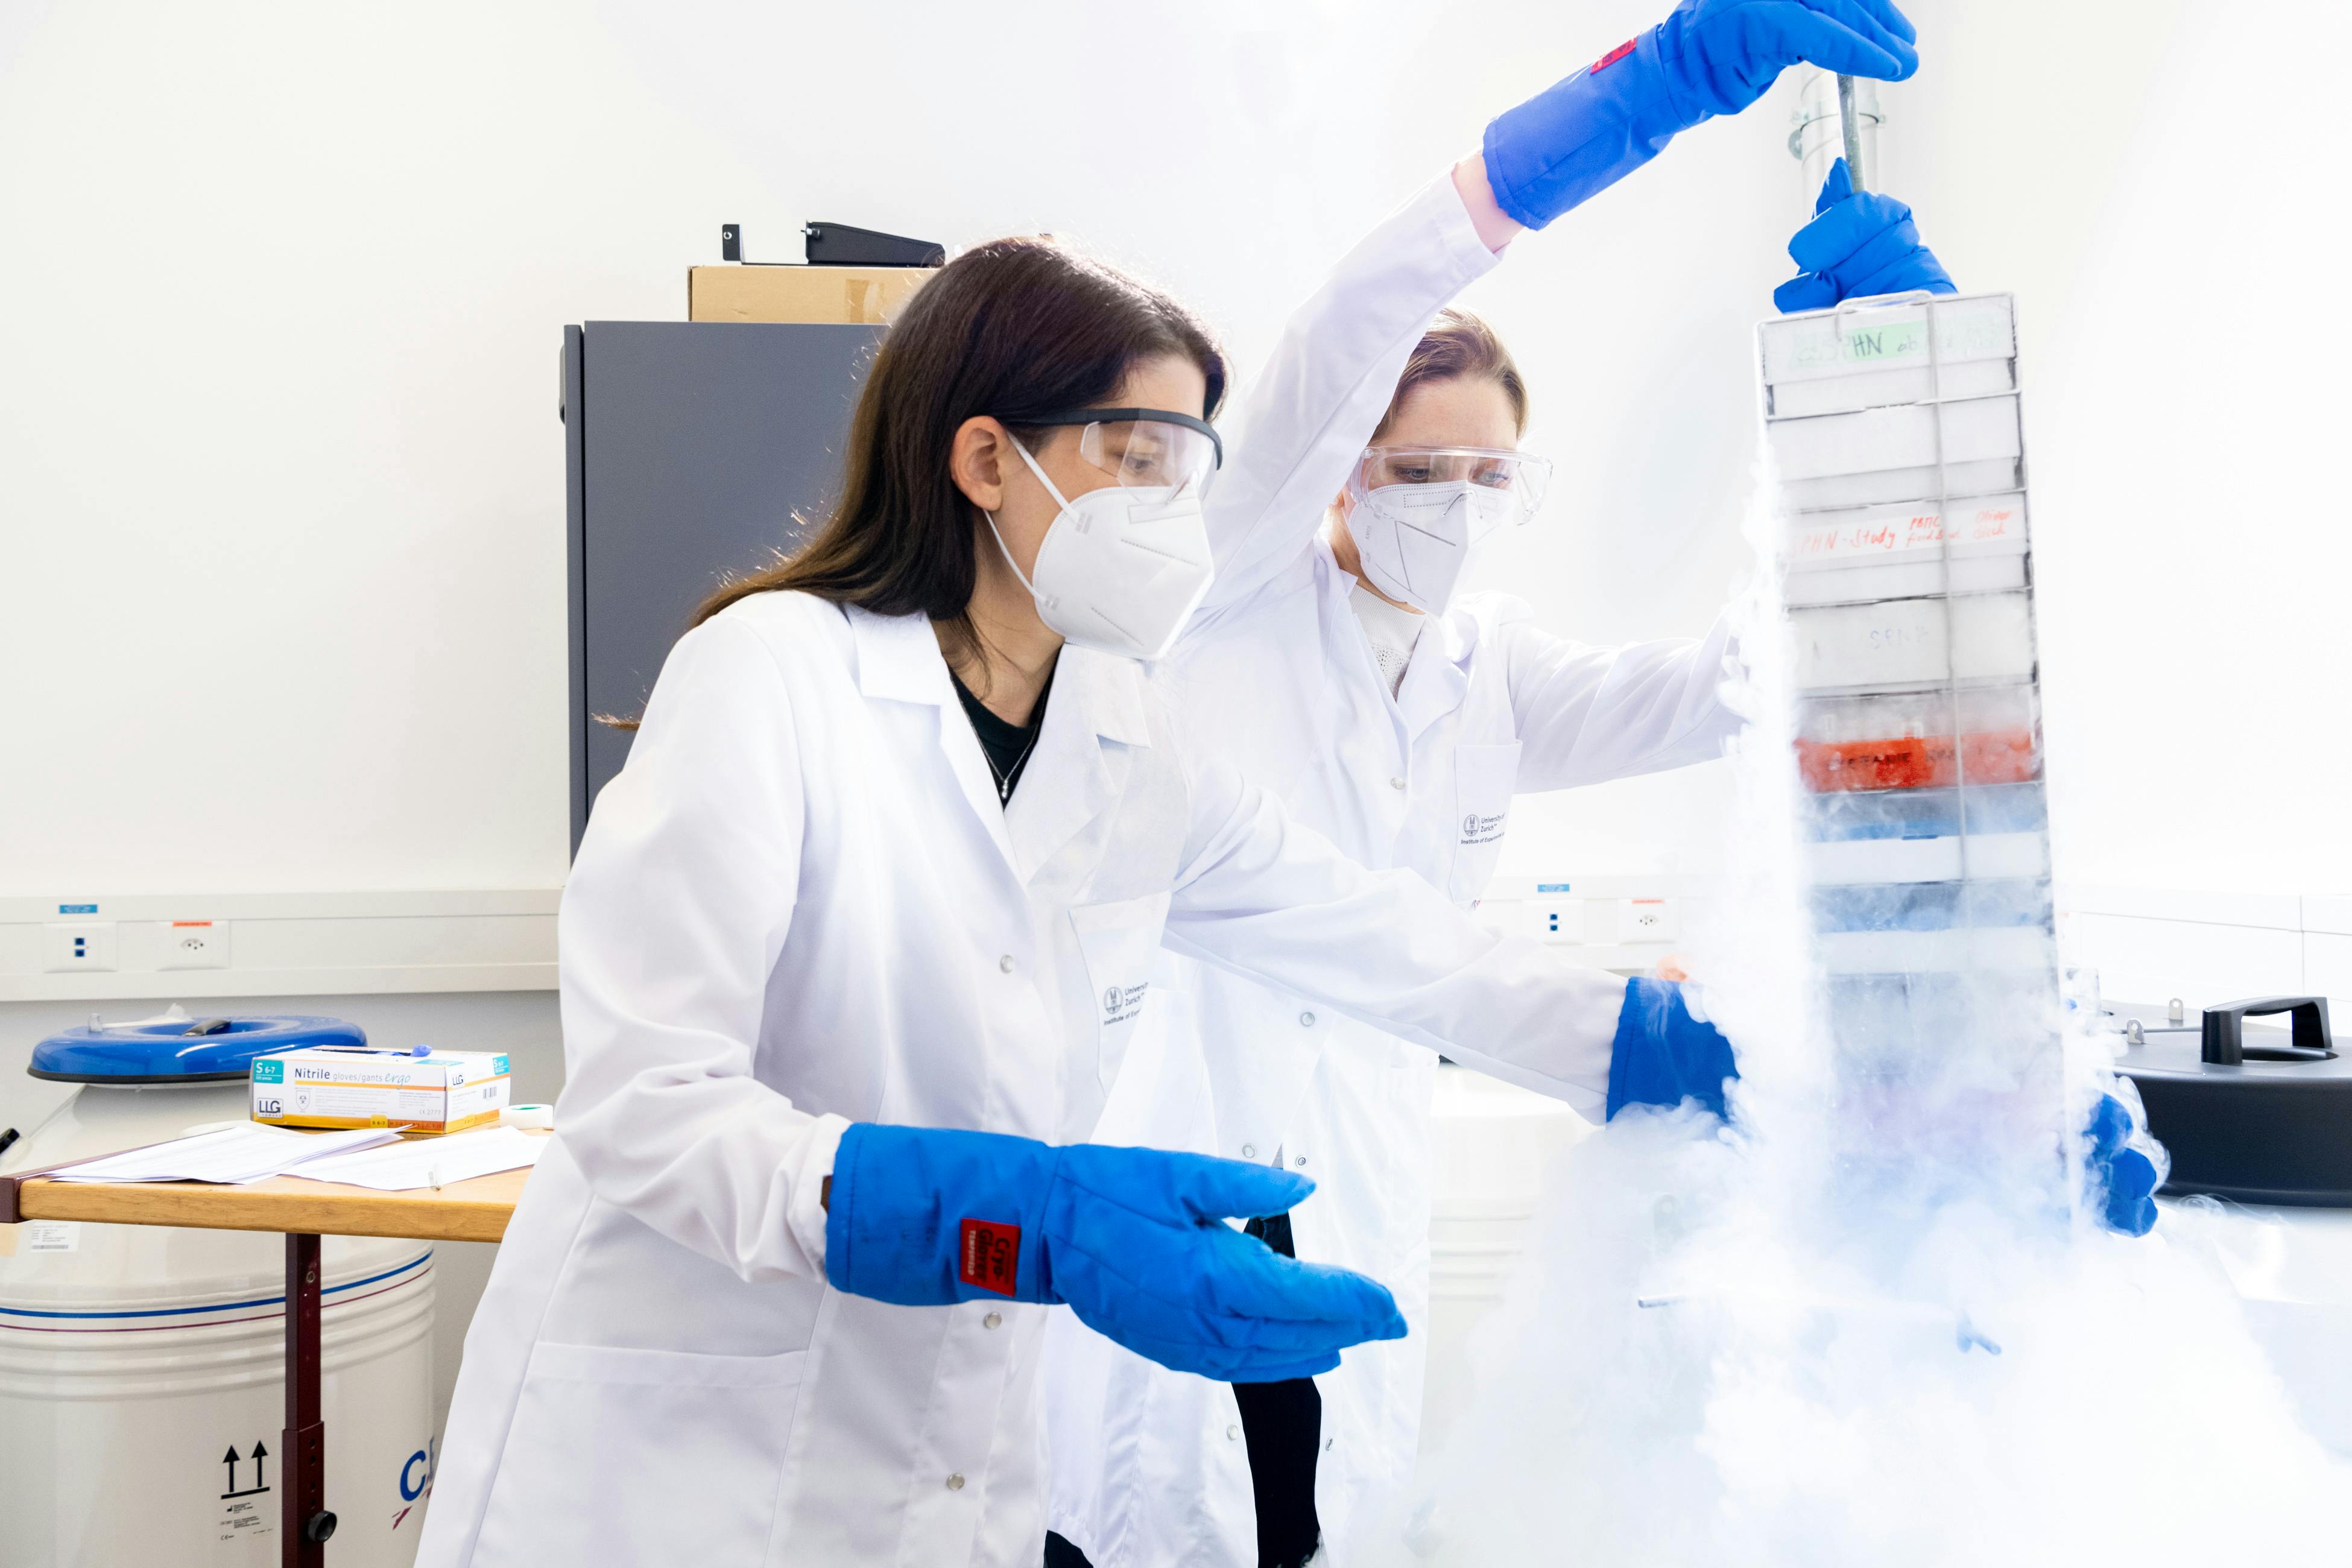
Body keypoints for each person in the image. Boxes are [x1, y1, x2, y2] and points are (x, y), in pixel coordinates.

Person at [411, 75, 1802, 1563]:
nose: (1170, 504)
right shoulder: (772, 678)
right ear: (986, 457)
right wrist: (1027, 1218)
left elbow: (1385, 940)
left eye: (1185, 464)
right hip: (676, 1475)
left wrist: (1678, 1056)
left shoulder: (1123, 740)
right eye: (1132, 458)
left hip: (947, 1480)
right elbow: (649, 1112)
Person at [1040, 53, 2153, 1568]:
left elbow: (1747, 685)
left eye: (1491, 473)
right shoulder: (1223, 601)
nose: (1456, 499)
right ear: (1342, 475)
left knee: (1317, 1519)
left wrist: (1890, 399)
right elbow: (1343, 328)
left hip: (1361, 1192)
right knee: (1169, 1519)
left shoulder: (1492, 675)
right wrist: (1644, 98)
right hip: (1179, 1165)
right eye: (1419, 467)